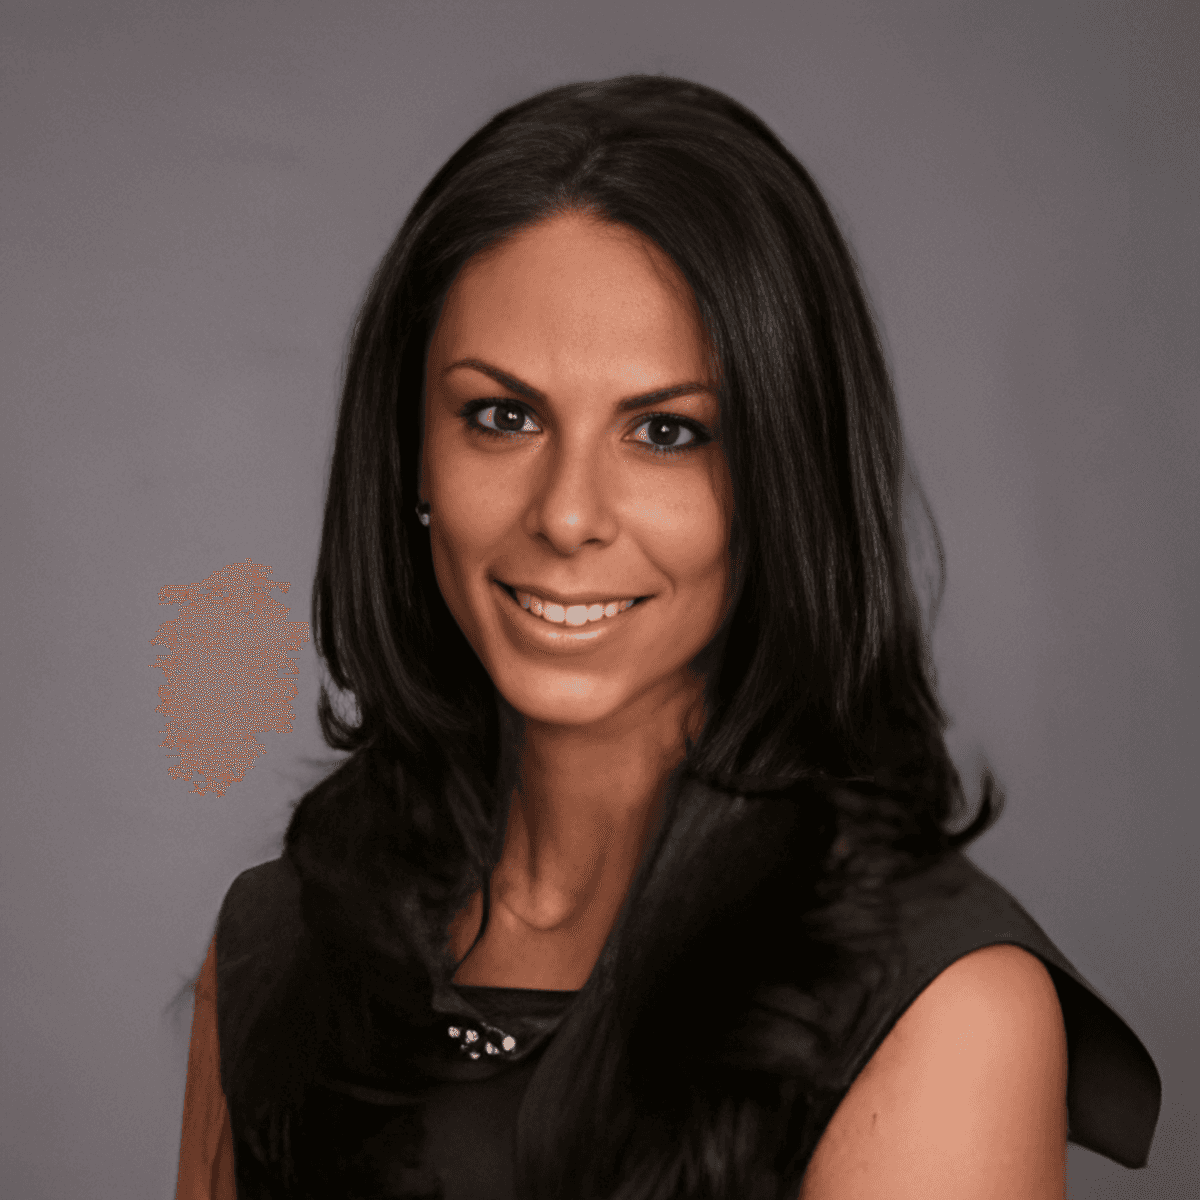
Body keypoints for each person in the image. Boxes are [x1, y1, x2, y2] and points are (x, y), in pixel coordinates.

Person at [175, 75, 1161, 1199]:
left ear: (784, 485)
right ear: (412, 461)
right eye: (503, 416)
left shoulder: (938, 1006)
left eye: (665, 432)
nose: (567, 513)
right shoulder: (277, 946)